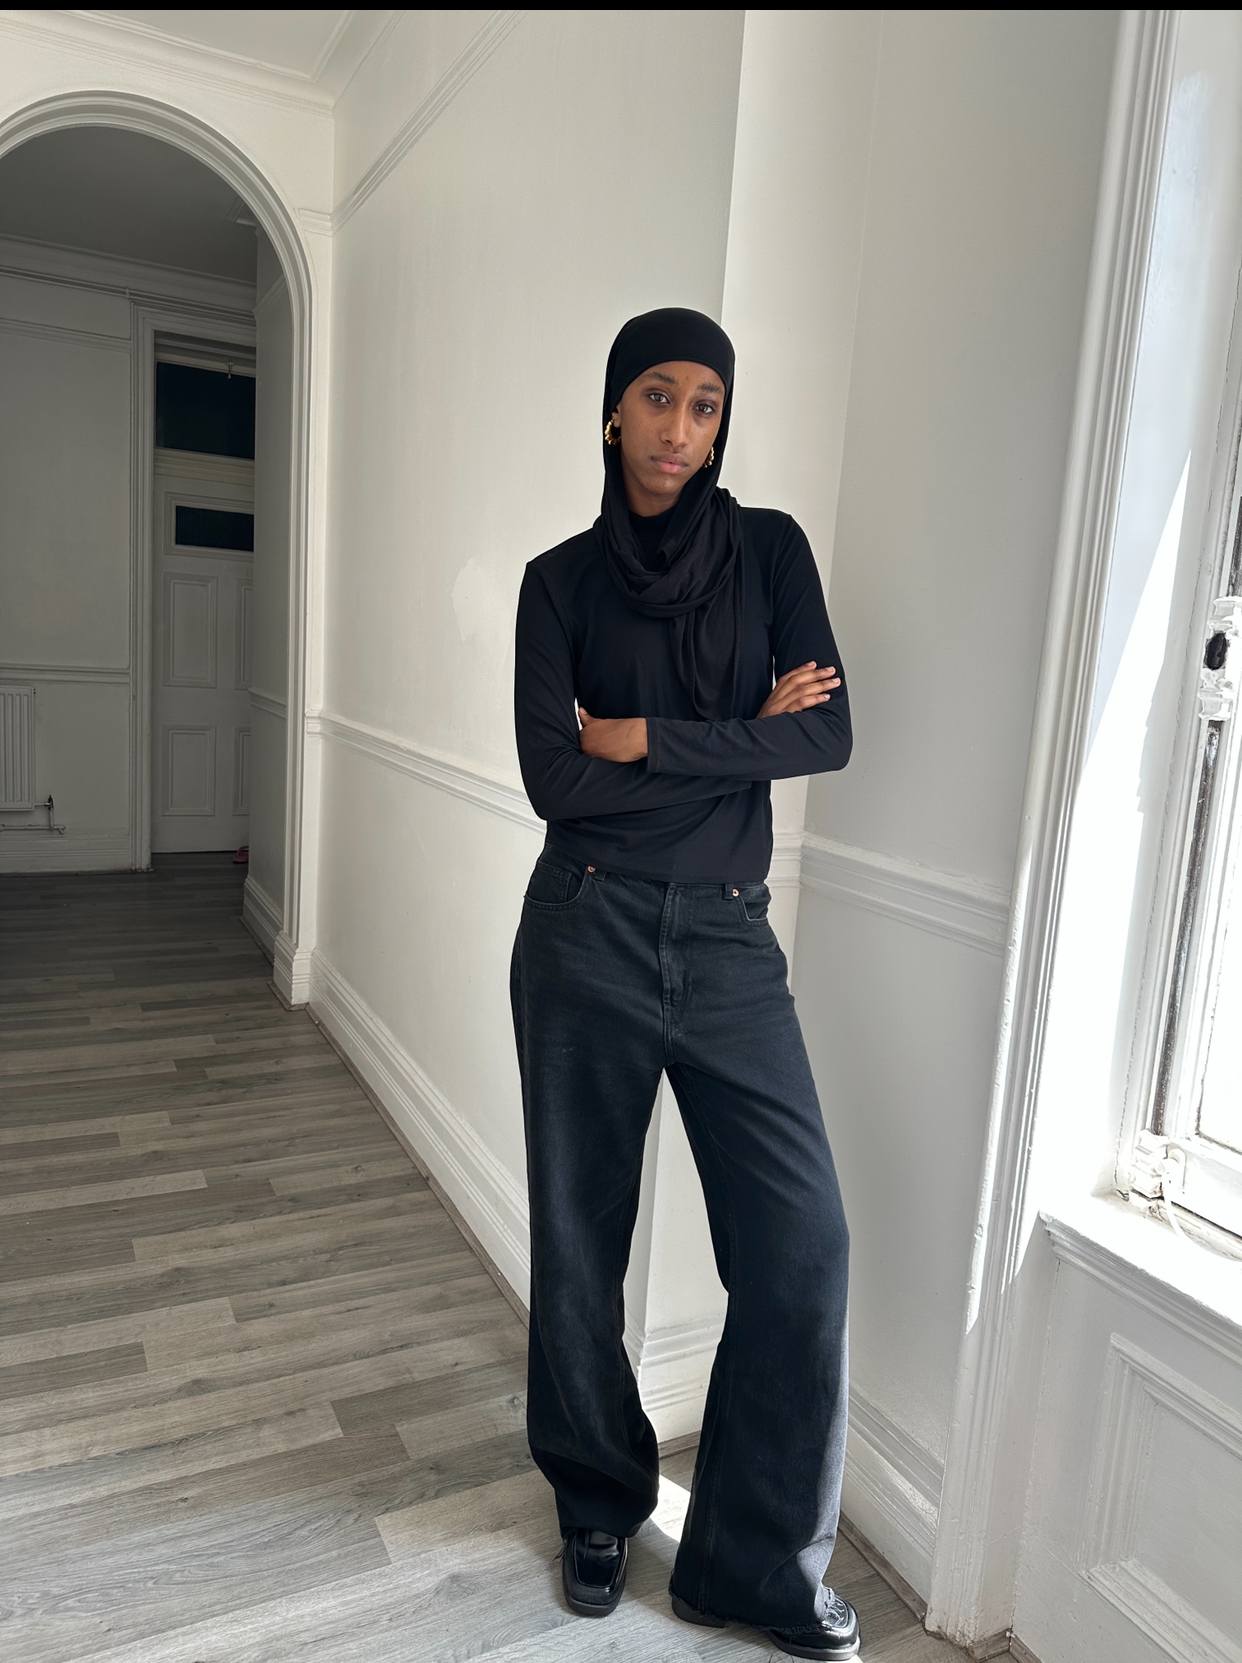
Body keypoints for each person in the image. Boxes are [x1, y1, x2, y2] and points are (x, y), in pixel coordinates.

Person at [509, 306, 859, 1661]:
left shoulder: (770, 553)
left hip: (726, 943)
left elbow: (824, 734)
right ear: (614, 411)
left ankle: (750, 1565)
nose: (678, 429)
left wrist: (647, 738)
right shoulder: (557, 584)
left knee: (802, 1243)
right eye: (656, 397)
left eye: (704, 405)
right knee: (579, 1237)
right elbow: (556, 783)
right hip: (583, 929)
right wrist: (735, 742)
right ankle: (598, 1497)